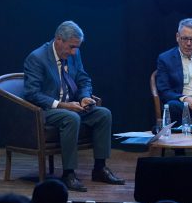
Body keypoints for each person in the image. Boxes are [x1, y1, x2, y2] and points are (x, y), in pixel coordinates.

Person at [23, 21, 123, 192]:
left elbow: (84, 79)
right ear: (58, 40)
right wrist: (63, 105)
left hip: (72, 106)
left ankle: (100, 168)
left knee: (103, 114)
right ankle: (68, 173)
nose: (74, 52)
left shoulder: (74, 54)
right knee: (71, 117)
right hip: (47, 110)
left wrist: (84, 97)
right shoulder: (37, 58)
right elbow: (32, 94)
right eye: (71, 47)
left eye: (77, 47)